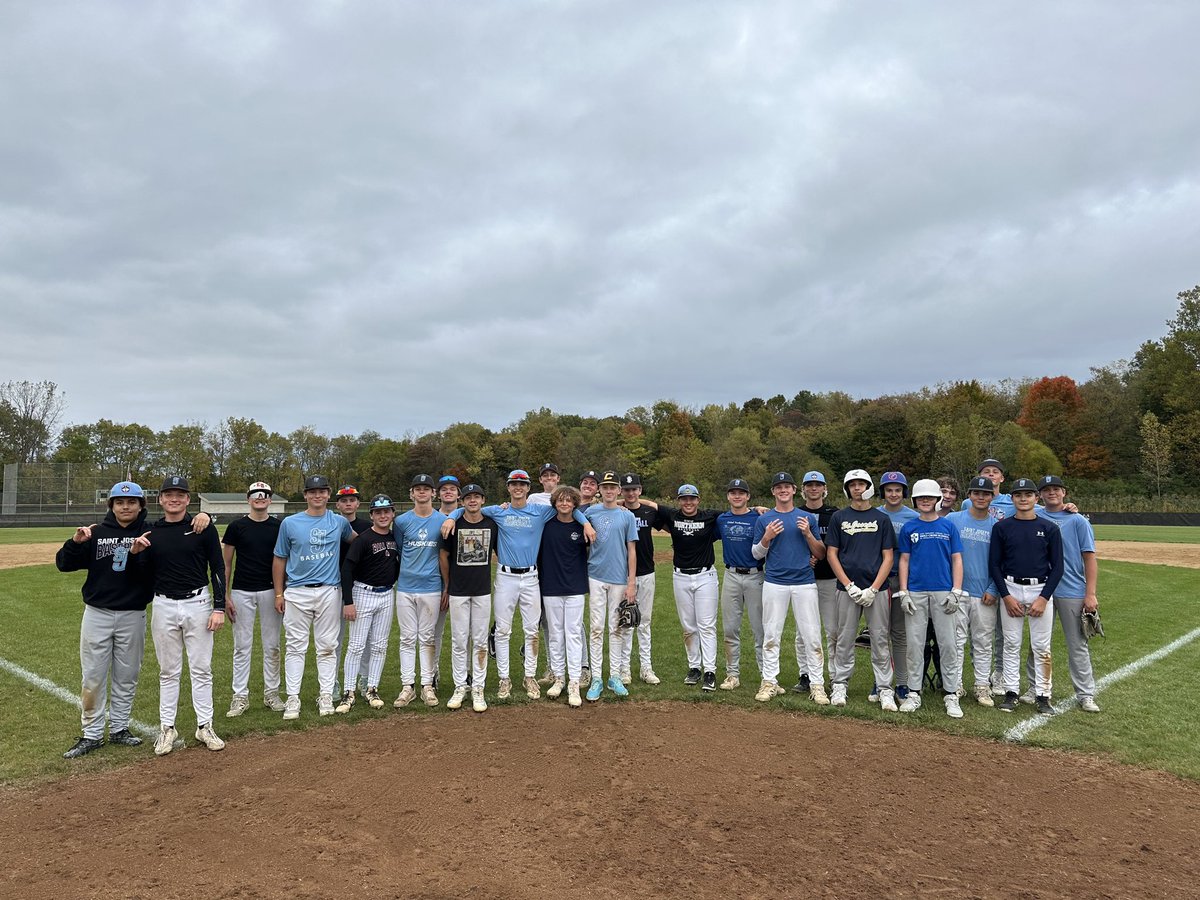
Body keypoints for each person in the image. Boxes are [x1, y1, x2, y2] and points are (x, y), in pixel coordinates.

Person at [442, 469, 595, 701]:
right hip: (506, 577)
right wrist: (453, 516)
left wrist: (585, 524)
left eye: (522, 484)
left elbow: (569, 506)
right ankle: (504, 678)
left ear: (528, 488)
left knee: (531, 629)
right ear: (508, 487)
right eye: (514, 484)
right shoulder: (498, 511)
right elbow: (471, 508)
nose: (518, 488)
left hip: (531, 577)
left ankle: (530, 675)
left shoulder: (540, 511)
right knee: (503, 630)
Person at [55, 481, 156, 758]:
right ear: (111, 505)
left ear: (141, 506)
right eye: (120, 502)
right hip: (97, 613)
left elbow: (152, 574)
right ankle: (91, 734)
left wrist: (203, 516)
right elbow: (63, 564)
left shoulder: (149, 533)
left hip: (133, 613)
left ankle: (120, 728)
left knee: (127, 675)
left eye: (132, 502)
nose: (126, 507)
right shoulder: (96, 533)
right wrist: (75, 543)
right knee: (93, 676)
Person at [131, 475, 227, 755]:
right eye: (168, 494)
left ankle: (204, 725)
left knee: (201, 668)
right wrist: (136, 554)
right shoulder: (152, 531)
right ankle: (167, 728)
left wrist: (219, 607)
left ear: (188, 499)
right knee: (168, 671)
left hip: (198, 602)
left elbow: (217, 568)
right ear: (160, 499)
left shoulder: (202, 527)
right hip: (163, 605)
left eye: (180, 495)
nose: (174, 499)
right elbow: (141, 574)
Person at [272, 474, 355, 720]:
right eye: (312, 492)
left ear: (329, 495)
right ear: (306, 495)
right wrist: (279, 592)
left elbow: (357, 542)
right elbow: (279, 558)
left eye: (322, 491)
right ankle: (293, 698)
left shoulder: (338, 522)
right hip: (297, 591)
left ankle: (326, 695)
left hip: (329, 590)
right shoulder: (290, 523)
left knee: (327, 646)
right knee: (296, 646)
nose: (317, 496)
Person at [751, 472, 828, 704]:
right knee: (771, 635)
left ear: (795, 490)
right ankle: (769, 682)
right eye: (778, 487)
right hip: (775, 582)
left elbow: (821, 553)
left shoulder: (807, 518)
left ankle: (817, 685)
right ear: (773, 492)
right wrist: (766, 538)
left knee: (812, 635)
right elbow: (756, 554)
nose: (783, 490)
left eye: (787, 487)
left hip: (804, 582)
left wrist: (806, 534)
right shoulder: (765, 520)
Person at [823, 470, 897, 710]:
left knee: (879, 639)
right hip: (847, 590)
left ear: (869, 487)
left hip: (877, 589)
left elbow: (888, 557)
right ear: (847, 489)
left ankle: (885, 688)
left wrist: (874, 589)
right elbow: (831, 553)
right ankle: (840, 684)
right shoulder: (839, 517)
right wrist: (848, 584)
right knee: (844, 638)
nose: (857, 488)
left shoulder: (881, 519)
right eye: (852, 484)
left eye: (861, 484)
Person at [989, 478, 1064, 715]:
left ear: (1036, 498)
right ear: (1012, 499)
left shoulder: (1050, 528)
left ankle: (1043, 694)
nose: (1023, 499)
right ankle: (1011, 692)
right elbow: (994, 565)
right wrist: (1006, 596)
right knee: (1011, 644)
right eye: (1018, 495)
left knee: (1041, 646)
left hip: (1039, 589)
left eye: (1028, 494)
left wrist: (1043, 597)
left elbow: (1058, 567)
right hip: (1011, 587)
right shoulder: (1002, 527)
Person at [638, 485, 723, 691]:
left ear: (698, 499)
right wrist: (621, 503)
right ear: (679, 500)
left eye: (692, 499)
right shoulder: (672, 515)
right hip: (681, 576)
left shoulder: (710, 516)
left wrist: (758, 508)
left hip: (705, 576)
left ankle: (710, 671)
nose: (688, 502)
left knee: (706, 625)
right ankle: (694, 667)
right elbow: (651, 504)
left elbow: (738, 511)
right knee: (688, 626)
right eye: (684, 499)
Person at [895, 479, 967, 718]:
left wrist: (956, 590)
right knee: (915, 645)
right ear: (915, 501)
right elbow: (903, 560)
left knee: (948, 644)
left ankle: (951, 694)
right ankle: (914, 692)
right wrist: (904, 591)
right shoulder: (909, 528)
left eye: (930, 497)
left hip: (943, 591)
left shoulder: (948, 527)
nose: (925, 501)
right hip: (916, 591)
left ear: (937, 500)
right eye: (921, 498)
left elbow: (957, 559)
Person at [1037, 475, 1102, 713]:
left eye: (1056, 489)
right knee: (1039, 643)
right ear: (1040, 494)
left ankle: (1085, 694)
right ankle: (1035, 688)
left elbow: (1089, 557)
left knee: (1077, 644)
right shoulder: (1035, 514)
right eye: (1046, 490)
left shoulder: (1077, 521)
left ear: (1064, 492)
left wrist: (1091, 593)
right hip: (1042, 590)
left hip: (1072, 589)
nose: (1051, 493)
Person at [222, 481, 285, 717]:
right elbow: (226, 563)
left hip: (271, 591)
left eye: (265, 495)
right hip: (242, 591)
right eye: (256, 495)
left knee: (272, 646)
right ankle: (240, 697)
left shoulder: (279, 526)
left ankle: (272, 693)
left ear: (270, 499)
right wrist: (225, 595)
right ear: (248, 498)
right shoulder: (236, 527)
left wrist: (282, 592)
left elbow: (284, 560)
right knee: (242, 646)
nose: (260, 498)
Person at [336, 494, 400, 714]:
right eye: (378, 512)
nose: (383, 516)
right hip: (363, 592)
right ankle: (348, 692)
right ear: (371, 515)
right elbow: (347, 569)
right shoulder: (363, 539)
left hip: (386, 594)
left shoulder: (394, 538)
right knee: (356, 646)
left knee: (380, 645)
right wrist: (348, 601)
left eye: (387, 511)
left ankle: (372, 688)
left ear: (392, 514)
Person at [439, 483, 498, 713]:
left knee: (480, 640)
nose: (472, 501)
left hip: (482, 589)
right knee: (459, 640)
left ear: (483, 500)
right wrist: (447, 585)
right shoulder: (452, 525)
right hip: (458, 590)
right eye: (468, 497)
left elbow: (498, 553)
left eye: (477, 497)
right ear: (462, 501)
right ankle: (460, 686)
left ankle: (478, 688)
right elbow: (443, 556)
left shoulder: (491, 525)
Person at [582, 472, 640, 702]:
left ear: (618, 491)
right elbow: (571, 511)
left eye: (612, 487)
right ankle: (596, 677)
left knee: (616, 628)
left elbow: (632, 550)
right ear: (600, 490)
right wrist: (585, 522)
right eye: (605, 487)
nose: (608, 490)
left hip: (618, 577)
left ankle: (614, 675)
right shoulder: (591, 512)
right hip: (595, 574)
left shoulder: (626, 516)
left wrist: (632, 581)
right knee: (597, 628)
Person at [392, 474, 448, 708]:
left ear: (433, 493)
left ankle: (427, 685)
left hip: (431, 587)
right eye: (418, 489)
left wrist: (446, 586)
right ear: (412, 493)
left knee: (427, 637)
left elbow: (445, 555)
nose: (422, 492)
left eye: (427, 489)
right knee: (407, 638)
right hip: (405, 587)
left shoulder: (442, 520)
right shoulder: (402, 522)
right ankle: (407, 687)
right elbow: (399, 549)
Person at [945, 477, 1000, 708]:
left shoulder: (997, 525)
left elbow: (1002, 561)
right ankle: (955, 684)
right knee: (956, 641)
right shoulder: (953, 519)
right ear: (969, 494)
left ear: (992, 497)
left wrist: (994, 588)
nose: (980, 497)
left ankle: (981, 686)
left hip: (984, 592)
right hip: (957, 591)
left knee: (983, 641)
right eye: (976, 492)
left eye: (985, 493)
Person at [537, 485, 589, 707]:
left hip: (575, 587)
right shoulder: (546, 526)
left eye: (569, 501)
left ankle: (574, 683)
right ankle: (559, 678)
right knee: (556, 634)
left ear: (575, 504)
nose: (564, 504)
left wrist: (586, 523)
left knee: (573, 633)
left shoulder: (583, 526)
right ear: (555, 503)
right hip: (551, 587)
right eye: (560, 500)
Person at [716, 478, 764, 691]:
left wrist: (758, 509)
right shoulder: (722, 519)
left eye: (741, 493)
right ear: (728, 496)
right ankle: (732, 675)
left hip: (756, 575)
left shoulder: (759, 516)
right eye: (733, 492)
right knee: (730, 628)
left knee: (760, 629)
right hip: (731, 575)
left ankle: (767, 676)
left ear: (748, 496)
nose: (737, 496)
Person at [877, 471, 919, 702]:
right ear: (882, 492)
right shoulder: (875, 514)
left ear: (904, 492)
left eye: (897, 490)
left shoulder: (912, 516)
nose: (893, 494)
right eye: (889, 489)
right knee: (879, 633)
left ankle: (902, 682)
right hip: (879, 580)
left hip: (903, 579)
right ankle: (881, 681)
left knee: (900, 633)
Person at [799, 471, 838, 694]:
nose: (814, 489)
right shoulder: (796, 513)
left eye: (818, 485)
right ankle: (805, 675)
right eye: (809, 485)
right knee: (803, 632)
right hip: (803, 579)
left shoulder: (834, 514)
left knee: (832, 629)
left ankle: (834, 676)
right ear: (803, 489)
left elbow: (840, 545)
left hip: (829, 578)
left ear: (824, 488)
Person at [619, 473, 660, 685]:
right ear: (621, 491)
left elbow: (656, 506)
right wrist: (619, 502)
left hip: (647, 572)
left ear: (640, 490)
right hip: (622, 574)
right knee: (626, 622)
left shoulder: (649, 511)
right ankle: (624, 668)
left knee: (644, 622)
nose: (631, 493)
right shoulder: (617, 511)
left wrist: (639, 502)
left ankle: (646, 667)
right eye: (626, 489)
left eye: (634, 489)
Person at [334, 485, 373, 694]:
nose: (348, 503)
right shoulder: (332, 525)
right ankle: (334, 681)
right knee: (335, 638)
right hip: (336, 586)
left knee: (363, 638)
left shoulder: (368, 526)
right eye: (344, 500)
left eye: (352, 500)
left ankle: (364, 678)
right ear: (338, 505)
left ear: (358, 503)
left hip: (360, 586)